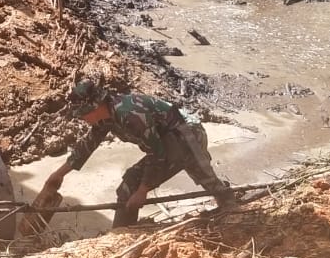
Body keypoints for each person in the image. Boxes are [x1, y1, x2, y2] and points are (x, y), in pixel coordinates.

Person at [40, 80, 232, 228]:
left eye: (82, 114)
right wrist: (57, 175)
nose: (81, 119)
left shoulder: (129, 115)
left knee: (200, 176)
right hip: (169, 138)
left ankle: (232, 210)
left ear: (94, 107)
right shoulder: (106, 117)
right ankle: (124, 232)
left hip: (186, 135)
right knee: (132, 184)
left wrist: (143, 191)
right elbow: (86, 146)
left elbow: (157, 153)